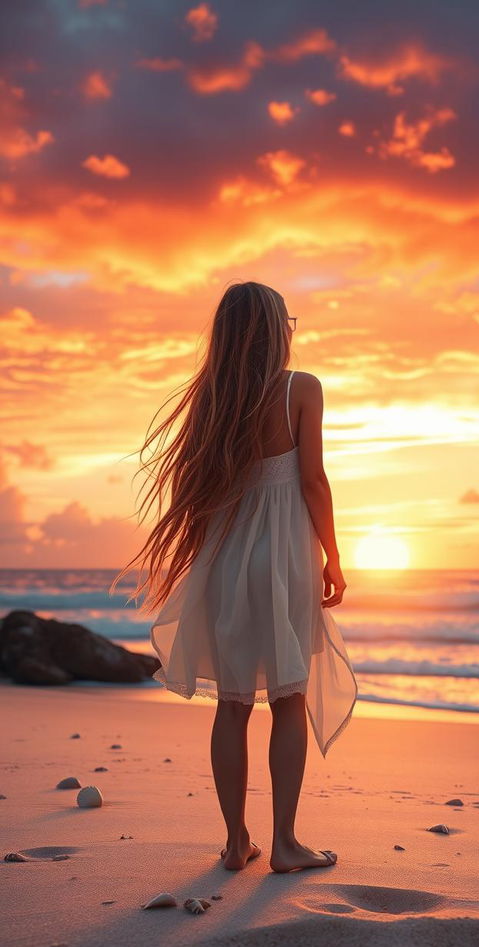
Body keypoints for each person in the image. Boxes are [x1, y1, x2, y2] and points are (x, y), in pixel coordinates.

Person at [111, 281, 357, 873]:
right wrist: (334, 556)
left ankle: (233, 842)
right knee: (289, 698)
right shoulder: (301, 388)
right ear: (277, 330)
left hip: (226, 559)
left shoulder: (212, 401)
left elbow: (195, 493)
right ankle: (287, 844)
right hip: (283, 560)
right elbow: (313, 480)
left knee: (233, 704)